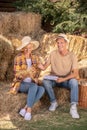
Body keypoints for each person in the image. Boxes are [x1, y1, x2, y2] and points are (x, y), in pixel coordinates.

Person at [38, 34, 80, 119]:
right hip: (54, 79)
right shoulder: (53, 54)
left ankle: (73, 107)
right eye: (58, 42)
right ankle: (53, 102)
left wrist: (63, 79)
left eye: (62, 42)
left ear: (66, 43)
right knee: (45, 81)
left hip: (66, 80)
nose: (59, 44)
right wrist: (38, 64)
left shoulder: (72, 55)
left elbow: (75, 73)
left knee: (74, 82)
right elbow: (44, 67)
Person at [11, 36, 45, 120]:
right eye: (25, 48)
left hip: (31, 84)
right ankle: (29, 111)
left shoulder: (35, 58)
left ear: (32, 47)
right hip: (20, 84)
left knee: (41, 89)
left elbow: (40, 69)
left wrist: (40, 70)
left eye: (29, 48)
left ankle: (25, 108)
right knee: (34, 86)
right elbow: (17, 75)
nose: (27, 50)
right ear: (22, 49)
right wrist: (28, 74)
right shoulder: (18, 58)